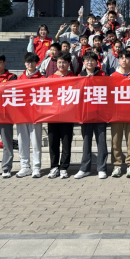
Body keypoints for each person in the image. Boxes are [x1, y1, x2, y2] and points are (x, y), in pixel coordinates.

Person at [75, 53, 108, 180]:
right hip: (86, 114)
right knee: (86, 142)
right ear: (83, 62)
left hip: (100, 114)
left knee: (102, 142)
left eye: (92, 60)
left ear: (96, 62)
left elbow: (109, 90)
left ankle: (101, 168)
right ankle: (85, 169)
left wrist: (94, 81)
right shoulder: (79, 76)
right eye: (87, 60)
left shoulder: (103, 75)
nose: (90, 62)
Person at [110, 51, 130, 179]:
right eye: (121, 58)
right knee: (116, 140)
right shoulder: (113, 75)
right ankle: (117, 164)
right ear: (118, 60)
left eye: (127, 58)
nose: (124, 60)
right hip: (116, 112)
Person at [47, 52, 75, 180]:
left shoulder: (74, 78)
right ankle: (54, 167)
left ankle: (64, 167)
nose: (61, 65)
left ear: (69, 63)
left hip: (67, 115)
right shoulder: (51, 78)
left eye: (64, 62)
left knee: (66, 142)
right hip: (53, 115)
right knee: (53, 142)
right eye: (59, 62)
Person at [16, 52, 44, 179]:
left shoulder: (42, 79)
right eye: (28, 62)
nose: (30, 64)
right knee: (22, 141)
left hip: (36, 115)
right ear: (24, 63)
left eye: (32, 62)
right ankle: (25, 166)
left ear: (36, 63)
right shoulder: (19, 79)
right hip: (21, 115)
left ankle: (36, 167)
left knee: (36, 142)